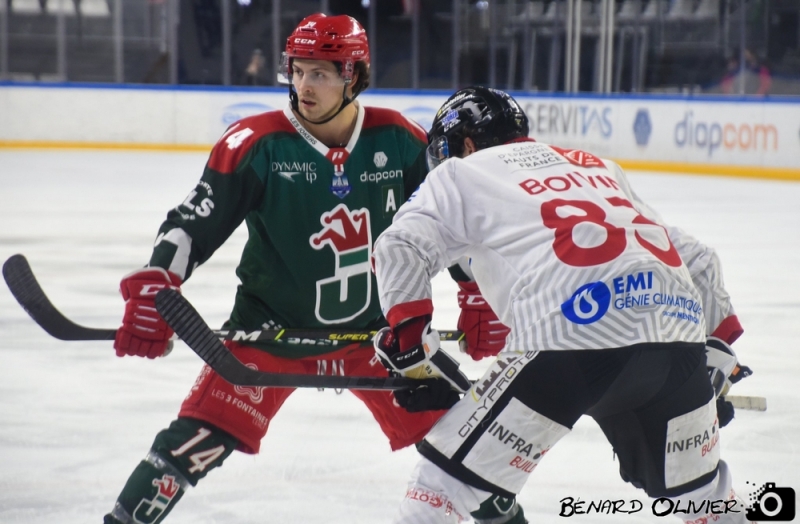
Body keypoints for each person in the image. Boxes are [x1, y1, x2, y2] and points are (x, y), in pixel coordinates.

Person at [103, 14, 513, 524]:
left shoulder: (400, 140)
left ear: (353, 76)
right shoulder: (255, 143)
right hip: (271, 331)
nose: (303, 85)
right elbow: (191, 224)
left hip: (382, 340)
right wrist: (156, 285)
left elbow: (447, 224)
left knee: (470, 449)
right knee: (189, 444)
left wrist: (477, 293)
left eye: (319, 73)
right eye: (297, 71)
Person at [371, 86, 751, 524]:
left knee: (438, 490)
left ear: (466, 145)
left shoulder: (462, 172)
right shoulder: (598, 166)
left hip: (570, 335)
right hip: (678, 338)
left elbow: (399, 245)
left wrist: (409, 345)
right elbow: (699, 261)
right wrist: (717, 357)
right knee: (706, 501)